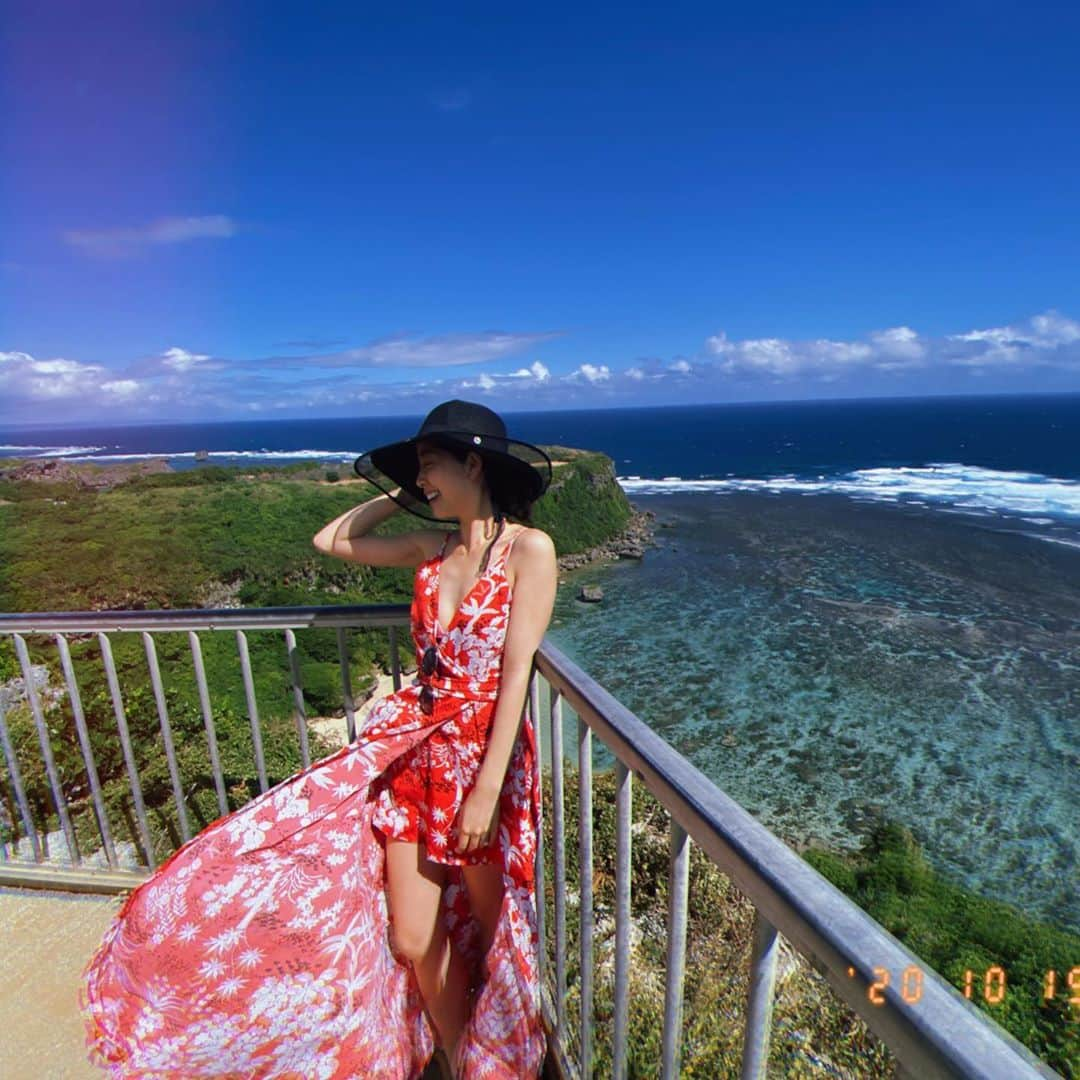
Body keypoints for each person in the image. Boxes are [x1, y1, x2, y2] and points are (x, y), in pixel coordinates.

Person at [79, 399, 557, 1079]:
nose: (421, 481)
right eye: (417, 470)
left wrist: (487, 789)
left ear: (473, 463)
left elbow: (514, 676)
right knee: (412, 937)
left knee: (495, 932)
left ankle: (505, 1065)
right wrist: (405, 490)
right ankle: (459, 1058)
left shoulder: (529, 550)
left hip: (485, 760)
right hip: (415, 756)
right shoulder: (435, 546)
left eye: (429, 465)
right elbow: (332, 540)